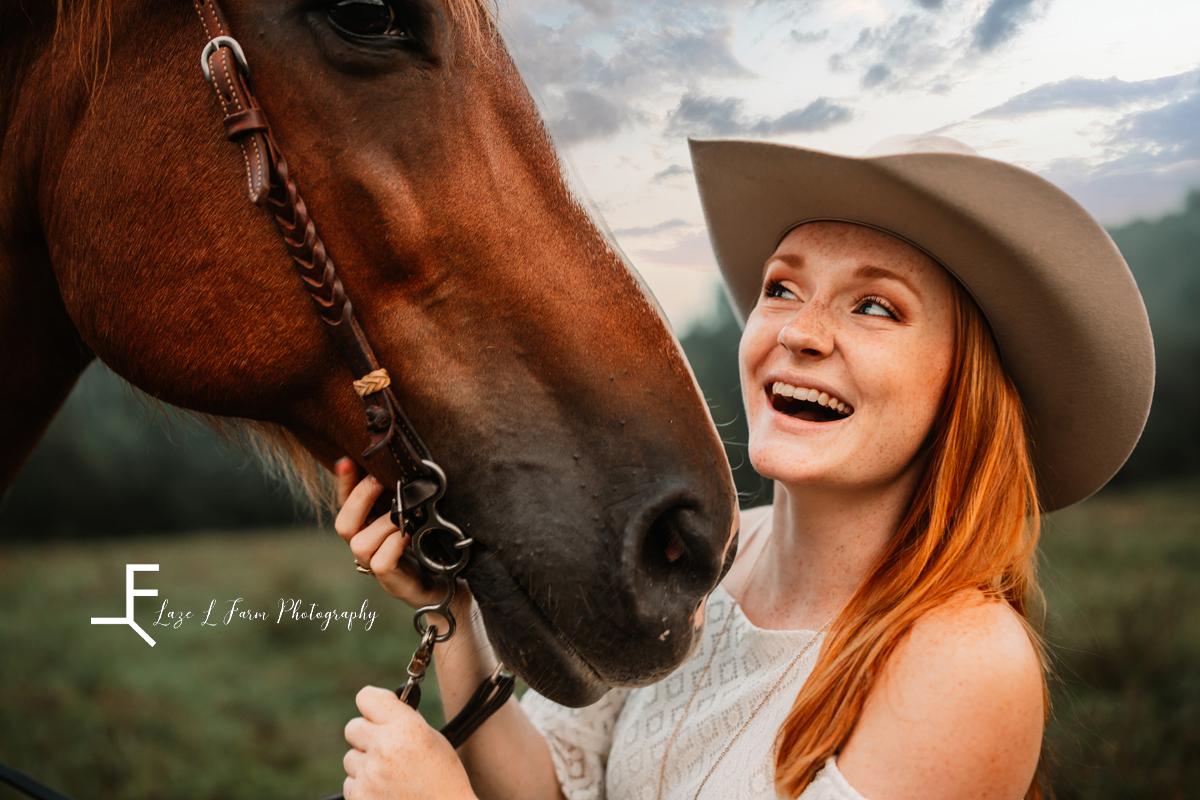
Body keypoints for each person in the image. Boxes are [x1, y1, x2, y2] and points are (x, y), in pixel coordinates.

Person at [331, 134, 1154, 800]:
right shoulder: (702, 555)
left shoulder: (965, 662)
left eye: (875, 305)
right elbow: (552, 788)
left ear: (962, 386)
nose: (799, 331)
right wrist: (453, 606)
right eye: (783, 288)